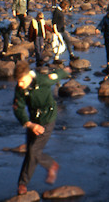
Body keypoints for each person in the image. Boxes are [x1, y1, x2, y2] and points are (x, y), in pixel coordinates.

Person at [13, 60, 70, 195]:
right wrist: (29, 124)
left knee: (34, 150)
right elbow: (18, 108)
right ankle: (22, 184)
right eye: (18, 82)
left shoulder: (42, 80)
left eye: (21, 81)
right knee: (31, 152)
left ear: (28, 76)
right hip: (33, 120)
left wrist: (66, 71)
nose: (20, 84)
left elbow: (55, 75)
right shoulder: (20, 89)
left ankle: (49, 166)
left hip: (47, 118)